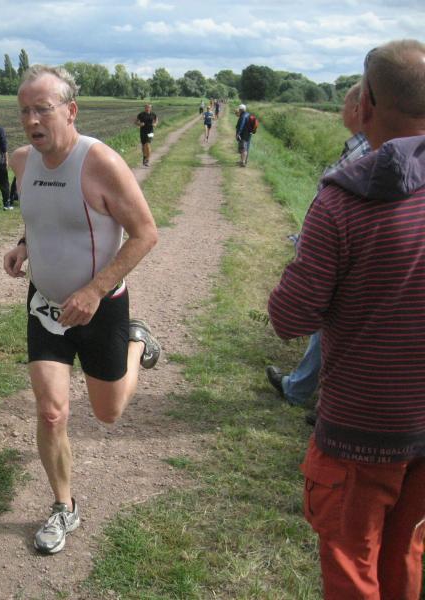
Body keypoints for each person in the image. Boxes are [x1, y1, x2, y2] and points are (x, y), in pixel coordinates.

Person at [267, 39, 425, 600]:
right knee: (405, 554)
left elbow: (291, 316)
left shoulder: (343, 199)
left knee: (351, 563)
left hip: (360, 425)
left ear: (368, 103)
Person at [3, 65, 161, 555]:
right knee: (52, 412)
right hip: (45, 307)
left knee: (108, 413)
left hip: (101, 308)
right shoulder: (21, 161)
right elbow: (42, 217)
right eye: (24, 110)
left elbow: (145, 233)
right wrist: (24, 245)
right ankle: (64, 506)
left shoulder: (101, 163)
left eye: (42, 109)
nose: (31, 120)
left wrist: (94, 291)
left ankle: (136, 343)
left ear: (70, 111)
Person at [265, 82, 371, 411]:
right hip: (347, 257)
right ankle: (306, 392)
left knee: (333, 325)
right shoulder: (362, 147)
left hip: (347, 260)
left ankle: (313, 396)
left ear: (359, 109)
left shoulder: (366, 153)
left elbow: (288, 318)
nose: (340, 110)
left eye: (344, 104)